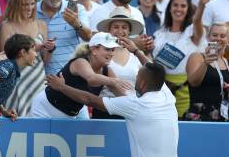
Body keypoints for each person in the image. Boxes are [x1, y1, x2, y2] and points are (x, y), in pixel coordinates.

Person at [46, 62, 179, 157]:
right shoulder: (167, 96)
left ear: (143, 83)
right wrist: (136, 51)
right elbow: (154, 70)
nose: (135, 78)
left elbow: (89, 100)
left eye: (137, 76)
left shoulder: (135, 105)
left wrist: (61, 87)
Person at [29, 32, 131, 118]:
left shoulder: (107, 71)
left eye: (113, 50)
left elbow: (123, 96)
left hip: (72, 113)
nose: (111, 53)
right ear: (94, 50)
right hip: (46, 107)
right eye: (107, 49)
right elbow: (92, 79)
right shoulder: (80, 61)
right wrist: (115, 81)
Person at [0, 0, 54, 116]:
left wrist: (50, 48)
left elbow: (45, 60)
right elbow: (3, 58)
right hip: (16, 81)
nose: (30, 8)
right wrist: (34, 48)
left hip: (38, 81)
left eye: (32, 3)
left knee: (38, 118)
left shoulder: (41, 25)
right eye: (25, 4)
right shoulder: (7, 26)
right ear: (16, 4)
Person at [152, 0, 209, 119]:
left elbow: (197, 21)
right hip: (161, 90)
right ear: (170, 7)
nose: (179, 9)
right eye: (175, 5)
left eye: (183, 6)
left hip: (185, 91)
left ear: (188, 9)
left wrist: (201, 5)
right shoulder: (160, 33)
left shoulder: (191, 31)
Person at [93, 6, 152, 119]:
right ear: (109, 30)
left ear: (129, 31)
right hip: (105, 110)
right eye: (115, 27)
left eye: (124, 27)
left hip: (132, 112)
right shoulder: (99, 53)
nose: (120, 31)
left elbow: (151, 77)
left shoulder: (137, 54)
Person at [37, 0, 91, 75]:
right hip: (41, 80)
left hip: (71, 77)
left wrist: (76, 23)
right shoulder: (31, 10)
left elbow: (88, 37)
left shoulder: (77, 9)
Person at [186, 23, 229, 121]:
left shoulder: (227, 62)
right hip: (201, 116)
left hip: (224, 116)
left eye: (222, 36)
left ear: (227, 40)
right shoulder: (197, 57)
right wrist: (205, 63)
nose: (218, 38)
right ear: (208, 37)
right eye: (214, 35)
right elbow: (193, 82)